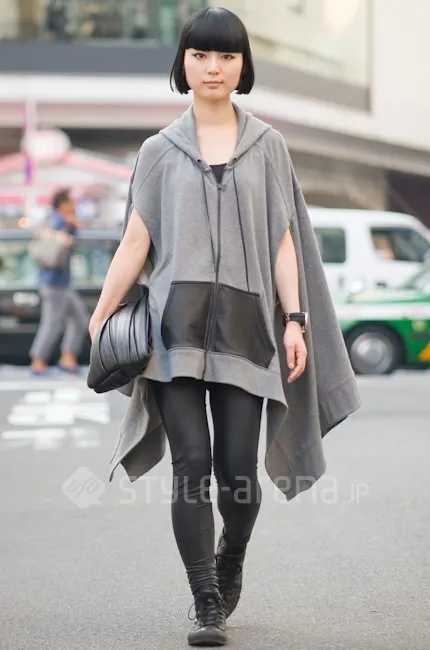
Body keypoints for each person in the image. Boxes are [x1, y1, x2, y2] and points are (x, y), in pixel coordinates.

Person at [88, 7, 361, 647]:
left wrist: (295, 321)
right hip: (172, 334)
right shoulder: (158, 151)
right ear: (183, 63)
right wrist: (101, 316)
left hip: (247, 331)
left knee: (238, 468)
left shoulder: (269, 146)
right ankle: (206, 599)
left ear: (243, 66)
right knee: (193, 464)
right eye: (201, 55)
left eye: (227, 56)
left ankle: (232, 550)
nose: (214, 68)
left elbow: (283, 241)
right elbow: (135, 242)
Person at [30, 189, 88, 376]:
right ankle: (38, 361)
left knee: (79, 318)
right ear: (63, 204)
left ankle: (67, 358)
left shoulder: (57, 220)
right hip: (54, 283)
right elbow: (65, 238)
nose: (74, 205)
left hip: (62, 283)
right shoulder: (57, 221)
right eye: (71, 201)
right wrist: (68, 226)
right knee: (52, 323)